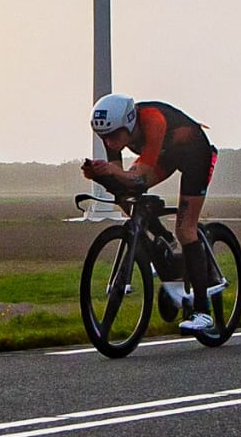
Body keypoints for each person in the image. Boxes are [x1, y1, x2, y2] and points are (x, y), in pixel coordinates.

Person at [81, 93, 219, 336]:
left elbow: (141, 175)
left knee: (186, 228)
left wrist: (111, 171)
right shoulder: (112, 128)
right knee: (123, 192)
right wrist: (101, 175)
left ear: (129, 123)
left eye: (114, 136)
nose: (110, 143)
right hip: (166, 156)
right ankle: (163, 240)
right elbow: (122, 179)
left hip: (195, 155)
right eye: (104, 137)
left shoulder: (152, 120)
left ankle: (203, 312)